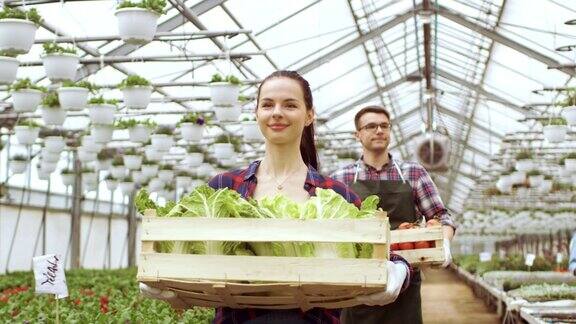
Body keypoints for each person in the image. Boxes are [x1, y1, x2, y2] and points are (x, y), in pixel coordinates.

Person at [139, 71, 414, 323]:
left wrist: (397, 274)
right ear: (256, 113)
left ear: (309, 116)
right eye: (267, 104)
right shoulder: (225, 186)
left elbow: (387, 256)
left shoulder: (334, 194)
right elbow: (183, 253)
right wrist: (166, 278)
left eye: (290, 105)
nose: (277, 113)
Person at [330, 105, 457, 324]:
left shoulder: (413, 173)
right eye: (371, 126)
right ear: (357, 134)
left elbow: (441, 216)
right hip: (358, 280)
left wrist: (444, 243)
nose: (379, 130)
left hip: (405, 277)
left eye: (384, 126)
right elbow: (329, 226)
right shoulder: (342, 177)